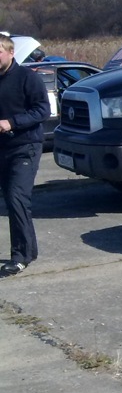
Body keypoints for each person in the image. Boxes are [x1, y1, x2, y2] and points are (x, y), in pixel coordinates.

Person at [0, 35, 50, 275]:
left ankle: (20, 255)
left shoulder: (27, 78)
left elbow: (42, 110)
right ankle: (29, 251)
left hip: (25, 146)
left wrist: (12, 122)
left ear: (11, 53)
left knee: (16, 197)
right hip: (2, 148)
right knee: (12, 199)